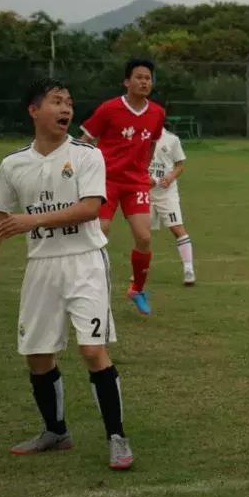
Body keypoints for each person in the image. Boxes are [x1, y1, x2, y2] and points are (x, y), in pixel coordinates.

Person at [0, 78, 134, 470]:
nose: (66, 109)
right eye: (56, 101)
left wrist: (31, 220)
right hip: (41, 266)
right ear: (34, 110)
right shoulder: (13, 164)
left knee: (92, 350)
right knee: (37, 355)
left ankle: (117, 437)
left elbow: (90, 208)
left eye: (69, 102)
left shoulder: (86, 155)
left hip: (84, 261)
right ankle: (56, 431)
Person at [79, 58, 165, 315]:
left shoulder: (157, 113)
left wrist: (144, 171)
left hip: (135, 181)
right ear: (127, 82)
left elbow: (152, 144)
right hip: (105, 179)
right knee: (100, 231)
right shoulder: (109, 108)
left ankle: (137, 289)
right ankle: (83, 286)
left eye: (148, 78)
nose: (144, 82)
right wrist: (76, 167)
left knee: (144, 237)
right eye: (139, 77)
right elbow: (86, 139)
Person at [148, 127, 195, 286]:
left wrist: (170, 176)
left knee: (177, 229)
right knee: (141, 233)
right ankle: (139, 271)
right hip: (144, 192)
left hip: (166, 194)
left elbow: (180, 165)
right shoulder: (139, 135)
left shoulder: (172, 139)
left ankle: (188, 269)